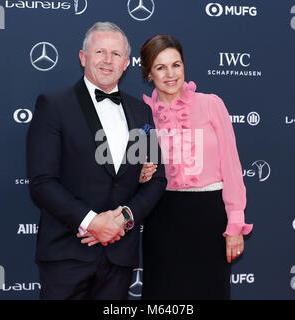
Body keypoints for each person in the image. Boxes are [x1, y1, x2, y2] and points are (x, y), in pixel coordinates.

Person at [26, 22, 166, 300]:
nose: (107, 60)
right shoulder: (54, 105)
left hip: (118, 257)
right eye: (100, 51)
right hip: (67, 253)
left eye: (115, 54)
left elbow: (156, 179)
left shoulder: (141, 113)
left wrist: (122, 220)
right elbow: (42, 182)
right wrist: (91, 222)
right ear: (83, 57)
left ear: (126, 63)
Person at [138, 34, 253, 300]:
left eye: (176, 65)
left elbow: (232, 168)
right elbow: (140, 174)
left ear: (184, 66)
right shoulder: (142, 115)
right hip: (162, 217)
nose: (170, 74)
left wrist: (235, 224)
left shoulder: (211, 104)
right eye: (161, 67)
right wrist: (142, 174)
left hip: (210, 215)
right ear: (148, 73)